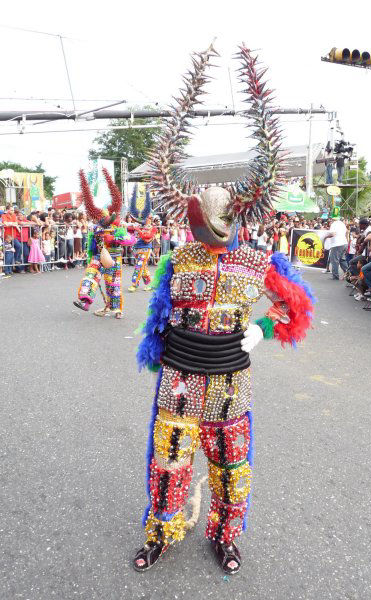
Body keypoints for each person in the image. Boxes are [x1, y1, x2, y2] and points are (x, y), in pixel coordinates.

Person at [133, 42, 315, 576]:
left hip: (231, 381)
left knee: (231, 466)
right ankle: (162, 530)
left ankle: (225, 535)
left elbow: (294, 310)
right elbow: (158, 314)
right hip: (180, 378)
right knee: (168, 462)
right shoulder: (179, 256)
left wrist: (259, 327)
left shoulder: (257, 261)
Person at [73, 169, 136, 319]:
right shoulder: (96, 228)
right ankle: (85, 302)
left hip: (114, 258)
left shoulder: (118, 228)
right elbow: (92, 244)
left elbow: (131, 239)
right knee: (90, 276)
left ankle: (116, 309)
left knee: (113, 284)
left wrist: (114, 239)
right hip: (98, 256)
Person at [128, 186, 155, 292]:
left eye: (149, 217)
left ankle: (134, 284)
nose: (147, 218)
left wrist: (139, 231)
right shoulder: (140, 226)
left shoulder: (153, 228)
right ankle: (151, 283)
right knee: (143, 267)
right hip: (137, 249)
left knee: (139, 266)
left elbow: (146, 238)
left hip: (146, 249)